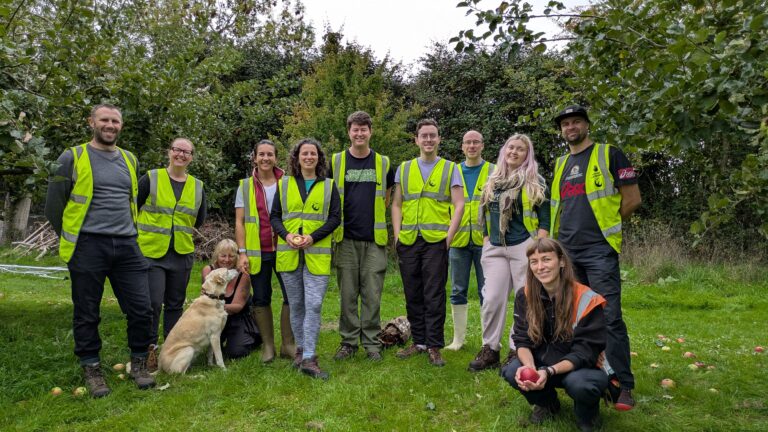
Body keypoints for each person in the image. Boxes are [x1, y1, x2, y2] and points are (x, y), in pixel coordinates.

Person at [44, 104, 155, 397]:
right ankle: (91, 368)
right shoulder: (72, 156)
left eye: (115, 121)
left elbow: (132, 201)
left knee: (142, 309)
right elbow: (54, 204)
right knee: (87, 312)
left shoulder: (130, 159)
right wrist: (73, 239)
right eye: (104, 119)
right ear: (92, 122)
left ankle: (140, 363)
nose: (110, 125)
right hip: (88, 245)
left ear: (121, 126)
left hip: (128, 245)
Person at [550, 104, 642, 410]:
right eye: (565, 124)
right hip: (567, 252)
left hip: (599, 250)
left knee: (610, 317)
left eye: (576, 122)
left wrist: (608, 231)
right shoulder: (561, 163)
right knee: (575, 318)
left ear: (587, 125)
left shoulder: (609, 153)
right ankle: (587, 376)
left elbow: (632, 199)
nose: (570, 127)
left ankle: (623, 385)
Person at [501, 238, 609, 432]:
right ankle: (548, 404)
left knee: (580, 384)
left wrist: (549, 371)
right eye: (534, 261)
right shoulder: (524, 295)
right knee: (511, 371)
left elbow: (584, 353)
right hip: (543, 364)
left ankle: (587, 413)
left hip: (579, 368)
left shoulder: (587, 299)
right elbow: (522, 340)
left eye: (546, 259)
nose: (540, 267)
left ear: (561, 261)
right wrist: (531, 368)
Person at [468, 134, 550, 372]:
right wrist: (485, 240)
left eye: (520, 149)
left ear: (527, 154)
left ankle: (518, 350)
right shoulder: (492, 180)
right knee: (492, 298)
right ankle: (490, 350)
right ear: (504, 151)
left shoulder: (536, 181)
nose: (514, 152)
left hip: (523, 246)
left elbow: (545, 217)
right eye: (511, 147)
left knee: (525, 300)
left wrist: (539, 249)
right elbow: (483, 215)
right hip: (494, 248)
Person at [391, 118, 465, 367]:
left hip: (436, 241)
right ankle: (419, 341)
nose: (429, 140)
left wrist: (449, 236)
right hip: (409, 239)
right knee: (413, 292)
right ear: (417, 140)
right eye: (424, 135)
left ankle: (434, 344)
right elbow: (397, 204)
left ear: (439, 139)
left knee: (434, 294)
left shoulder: (450, 168)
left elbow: (459, 204)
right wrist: (397, 234)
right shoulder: (404, 168)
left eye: (433, 135)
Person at [271, 138, 341, 379]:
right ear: (297, 157)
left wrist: (313, 237)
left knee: (314, 304)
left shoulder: (329, 186)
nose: (309, 157)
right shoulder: (285, 184)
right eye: (304, 153)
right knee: (296, 305)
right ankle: (301, 351)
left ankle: (310, 357)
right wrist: (287, 235)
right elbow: (275, 217)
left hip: (316, 255)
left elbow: (335, 218)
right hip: (288, 253)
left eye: (313, 153)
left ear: (319, 158)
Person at [137, 137, 207, 371]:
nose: (181, 155)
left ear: (192, 158)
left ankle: (171, 349)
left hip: (181, 252)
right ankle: (148, 350)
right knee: (153, 303)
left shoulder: (197, 186)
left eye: (187, 152)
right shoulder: (151, 178)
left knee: (175, 304)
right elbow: (133, 206)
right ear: (169, 152)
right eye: (178, 150)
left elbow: (200, 218)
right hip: (152, 251)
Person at [331, 111, 394, 362]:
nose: (359, 133)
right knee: (347, 294)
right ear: (349, 132)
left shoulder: (383, 162)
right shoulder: (336, 162)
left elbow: (388, 197)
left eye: (363, 129)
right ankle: (348, 342)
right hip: (344, 238)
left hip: (374, 240)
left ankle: (371, 343)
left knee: (372, 294)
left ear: (370, 132)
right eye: (355, 129)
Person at [235, 139, 294, 364]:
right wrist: (242, 252)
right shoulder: (245, 186)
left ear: (276, 158)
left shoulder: (287, 183)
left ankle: (288, 345)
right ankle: (268, 346)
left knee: (291, 296)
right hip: (258, 251)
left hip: (285, 248)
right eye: (261, 154)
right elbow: (240, 221)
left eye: (270, 154)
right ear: (255, 157)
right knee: (261, 298)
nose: (265, 158)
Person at [445, 130, 494, 351]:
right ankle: (458, 339)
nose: (472, 146)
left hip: (487, 240)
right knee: (457, 289)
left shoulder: (493, 171)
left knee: (488, 290)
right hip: (458, 239)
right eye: (468, 142)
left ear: (482, 146)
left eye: (476, 142)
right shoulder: (452, 171)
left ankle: (488, 339)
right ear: (462, 146)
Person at [202, 239, 261, 359]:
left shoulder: (243, 275)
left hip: (237, 317)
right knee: (206, 348)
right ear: (217, 256)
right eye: (223, 256)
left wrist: (213, 305)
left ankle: (254, 336)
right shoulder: (208, 271)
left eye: (231, 256)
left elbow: (237, 307)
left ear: (237, 257)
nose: (227, 260)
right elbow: (204, 296)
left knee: (236, 352)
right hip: (215, 318)